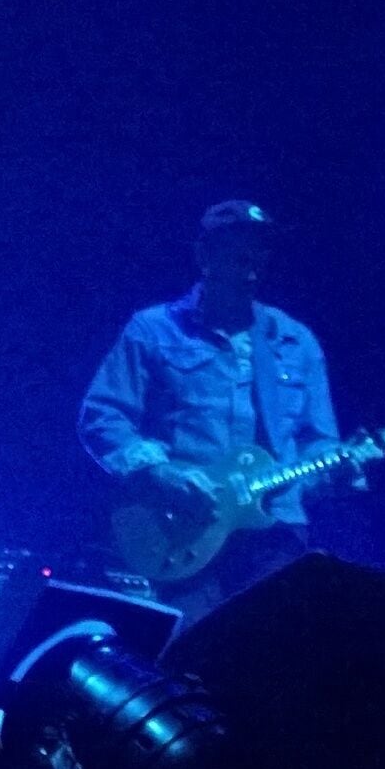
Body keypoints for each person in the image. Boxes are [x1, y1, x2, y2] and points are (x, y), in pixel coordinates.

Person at [78, 200, 366, 618]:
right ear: (204, 255)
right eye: (238, 254)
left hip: (277, 534)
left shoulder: (295, 340)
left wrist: (336, 469)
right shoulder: (153, 329)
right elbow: (102, 416)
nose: (252, 269)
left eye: (260, 255)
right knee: (195, 651)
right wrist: (160, 474)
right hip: (186, 527)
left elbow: (317, 442)